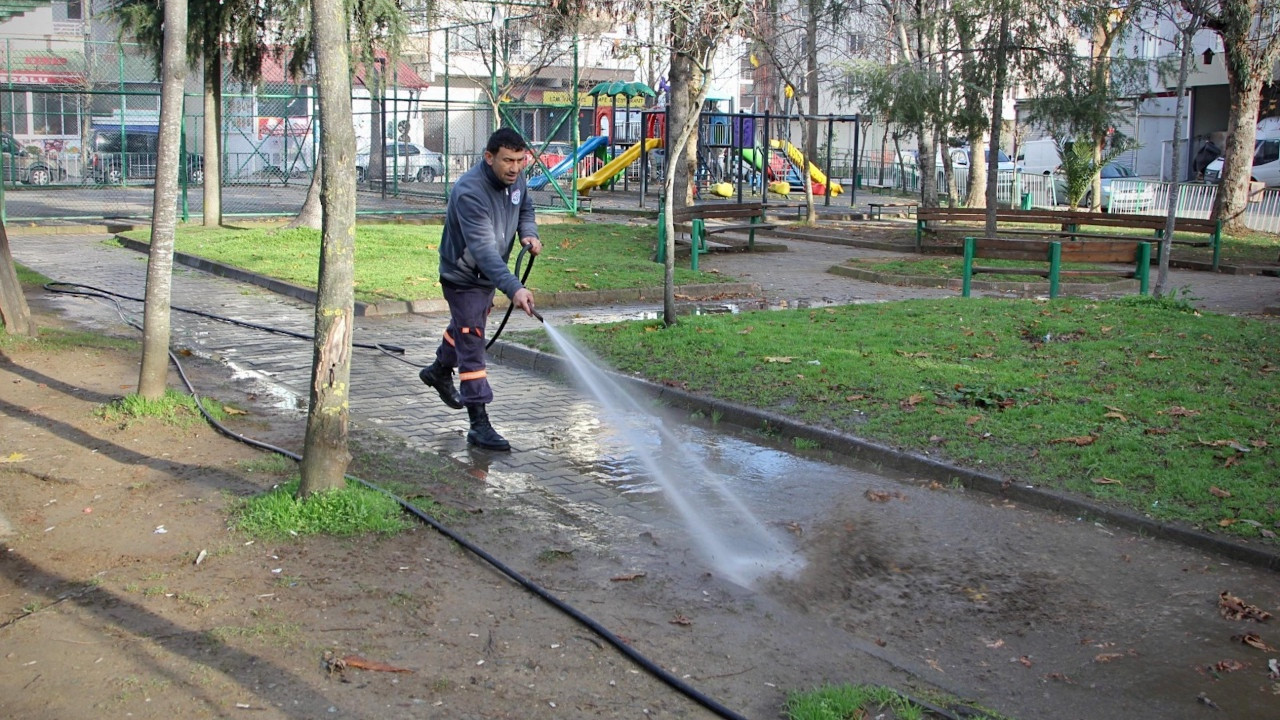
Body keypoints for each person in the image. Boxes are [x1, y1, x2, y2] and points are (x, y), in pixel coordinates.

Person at [419, 128, 542, 451]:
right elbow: (484, 250)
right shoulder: (469, 192)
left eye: (520, 160)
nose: (515, 168)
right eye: (507, 161)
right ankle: (478, 424)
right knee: (472, 340)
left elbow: (525, 209)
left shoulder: (516, 181)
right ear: (489, 158)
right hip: (463, 275)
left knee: (465, 326)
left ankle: (438, 371)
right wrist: (514, 288)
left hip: (489, 274)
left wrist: (528, 233)